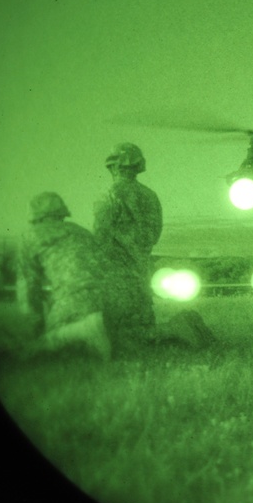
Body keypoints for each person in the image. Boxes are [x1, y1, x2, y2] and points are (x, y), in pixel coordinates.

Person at [17, 192, 112, 361]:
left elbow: (29, 288)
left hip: (72, 303)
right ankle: (94, 331)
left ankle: (80, 330)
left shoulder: (29, 236)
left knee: (40, 350)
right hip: (105, 302)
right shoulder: (82, 232)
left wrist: (35, 328)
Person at [94, 142, 162, 357]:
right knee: (143, 317)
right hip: (141, 265)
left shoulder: (108, 194)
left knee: (116, 324)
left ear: (113, 166)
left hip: (116, 269)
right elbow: (155, 233)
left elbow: (100, 235)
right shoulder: (150, 196)